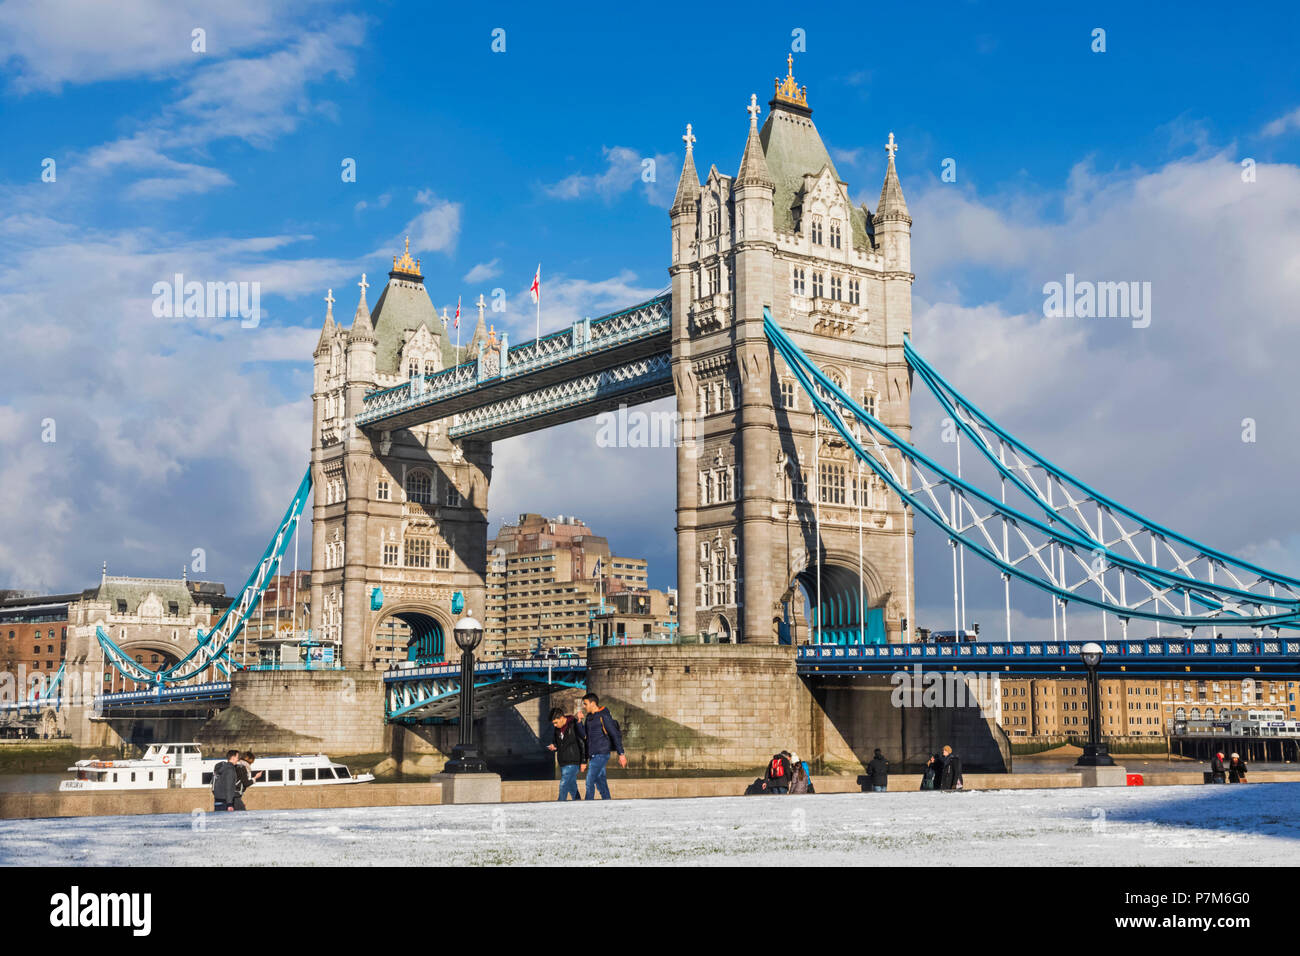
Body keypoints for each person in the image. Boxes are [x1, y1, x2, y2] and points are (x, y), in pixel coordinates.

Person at [579, 693, 626, 800]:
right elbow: (584, 736)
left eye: (585, 704)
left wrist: (621, 754)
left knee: (589, 781)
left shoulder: (604, 715)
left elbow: (614, 734)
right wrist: (578, 722)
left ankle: (587, 804)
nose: (584, 706)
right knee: (601, 783)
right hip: (593, 754)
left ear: (593, 703)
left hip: (601, 753)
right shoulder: (589, 717)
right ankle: (607, 801)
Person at [547, 706, 585, 801]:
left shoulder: (574, 724)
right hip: (563, 761)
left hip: (573, 761)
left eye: (556, 722)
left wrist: (584, 760)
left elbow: (582, 743)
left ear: (561, 718)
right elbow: (557, 743)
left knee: (563, 784)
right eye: (553, 723)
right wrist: (554, 746)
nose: (554, 725)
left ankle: (560, 803)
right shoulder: (557, 729)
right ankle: (578, 802)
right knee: (572, 786)